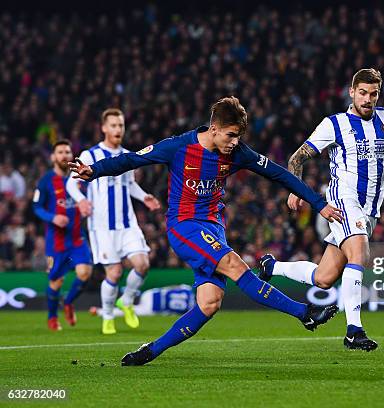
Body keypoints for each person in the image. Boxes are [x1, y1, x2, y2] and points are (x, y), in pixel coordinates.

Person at [69, 96, 343, 366]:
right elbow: (131, 159)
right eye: (231, 135)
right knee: (235, 265)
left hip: (213, 227)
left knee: (209, 303)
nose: (235, 142)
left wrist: (318, 204)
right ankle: (305, 312)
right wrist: (93, 171)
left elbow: (278, 173)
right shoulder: (178, 147)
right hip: (184, 225)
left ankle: (150, 351)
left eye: (239, 136)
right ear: (214, 129)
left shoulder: (238, 152)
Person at [258, 69, 384, 351]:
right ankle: (354, 331)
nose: (368, 99)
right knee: (359, 254)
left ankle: (271, 266)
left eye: (373, 94)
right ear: (351, 92)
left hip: (371, 206)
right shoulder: (333, 124)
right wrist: (294, 189)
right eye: (362, 93)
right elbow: (298, 156)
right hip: (343, 199)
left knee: (324, 278)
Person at [66, 109, 161, 335]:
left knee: (142, 264)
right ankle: (107, 316)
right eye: (114, 125)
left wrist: (144, 196)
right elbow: (71, 183)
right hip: (101, 227)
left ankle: (126, 301)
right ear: (104, 128)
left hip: (127, 223)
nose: (118, 129)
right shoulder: (90, 155)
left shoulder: (128, 155)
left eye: (121, 125)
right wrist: (80, 200)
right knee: (115, 273)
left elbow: (129, 185)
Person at [33, 140, 93, 331]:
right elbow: (36, 207)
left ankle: (68, 303)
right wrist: (53, 217)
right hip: (56, 242)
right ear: (53, 157)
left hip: (77, 238)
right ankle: (52, 317)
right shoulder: (45, 181)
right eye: (60, 152)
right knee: (56, 281)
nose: (65, 155)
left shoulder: (79, 178)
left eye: (67, 152)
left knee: (85, 272)